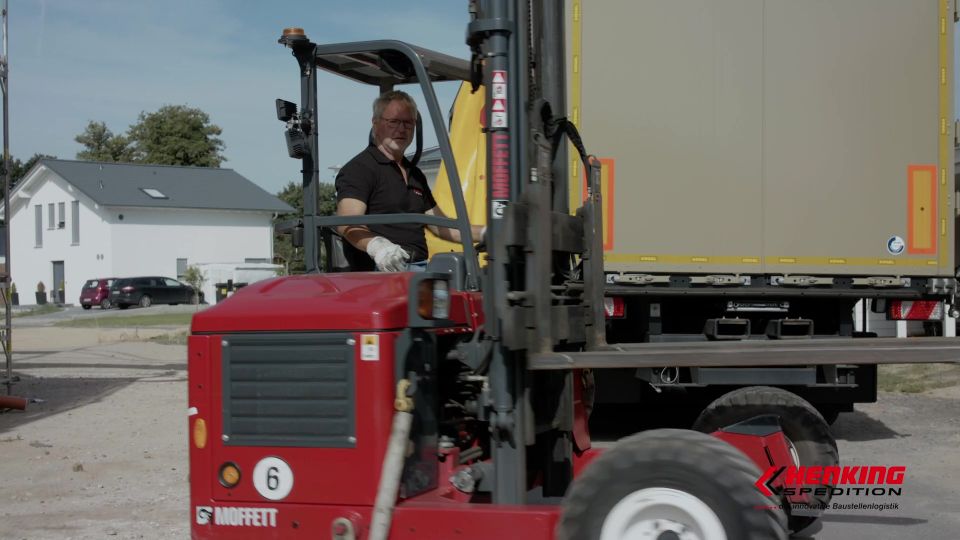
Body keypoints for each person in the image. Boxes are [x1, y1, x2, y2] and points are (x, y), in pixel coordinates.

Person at [335, 90, 483, 272]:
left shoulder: (415, 174)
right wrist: (377, 247)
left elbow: (442, 226)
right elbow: (348, 222)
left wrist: (487, 233)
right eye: (394, 122)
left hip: (419, 269)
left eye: (408, 123)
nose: (401, 129)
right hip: (380, 269)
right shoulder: (359, 169)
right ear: (375, 124)